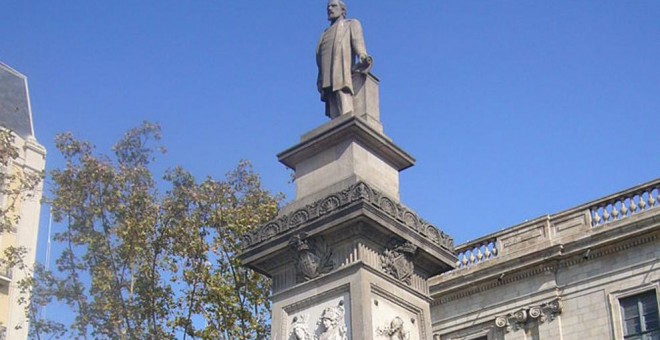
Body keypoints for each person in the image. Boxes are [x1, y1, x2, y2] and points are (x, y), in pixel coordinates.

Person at [316, 0, 372, 119]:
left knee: (342, 93)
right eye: (328, 7)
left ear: (343, 10)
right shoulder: (324, 34)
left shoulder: (351, 24)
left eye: (333, 6)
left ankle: (347, 121)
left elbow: (358, 43)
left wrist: (362, 55)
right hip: (326, 73)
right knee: (332, 99)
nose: (330, 9)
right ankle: (336, 127)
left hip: (341, 70)